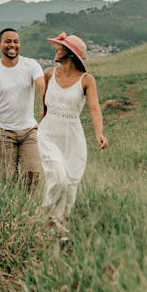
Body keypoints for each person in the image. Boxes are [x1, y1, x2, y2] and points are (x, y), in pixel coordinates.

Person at [37, 32, 108, 244]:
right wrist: (44, 113)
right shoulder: (49, 74)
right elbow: (45, 101)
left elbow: (94, 107)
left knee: (68, 185)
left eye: (59, 47)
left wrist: (99, 133)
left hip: (72, 136)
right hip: (49, 132)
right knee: (57, 176)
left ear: (70, 53)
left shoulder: (87, 80)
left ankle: (59, 227)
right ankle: (44, 220)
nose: (55, 50)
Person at [0, 28, 45, 190]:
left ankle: (26, 210)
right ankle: (10, 210)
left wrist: (46, 104)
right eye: (8, 41)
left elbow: (41, 85)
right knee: (8, 179)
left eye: (16, 41)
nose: (12, 45)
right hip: (1, 131)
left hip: (28, 130)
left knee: (32, 175)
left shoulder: (31, 65)